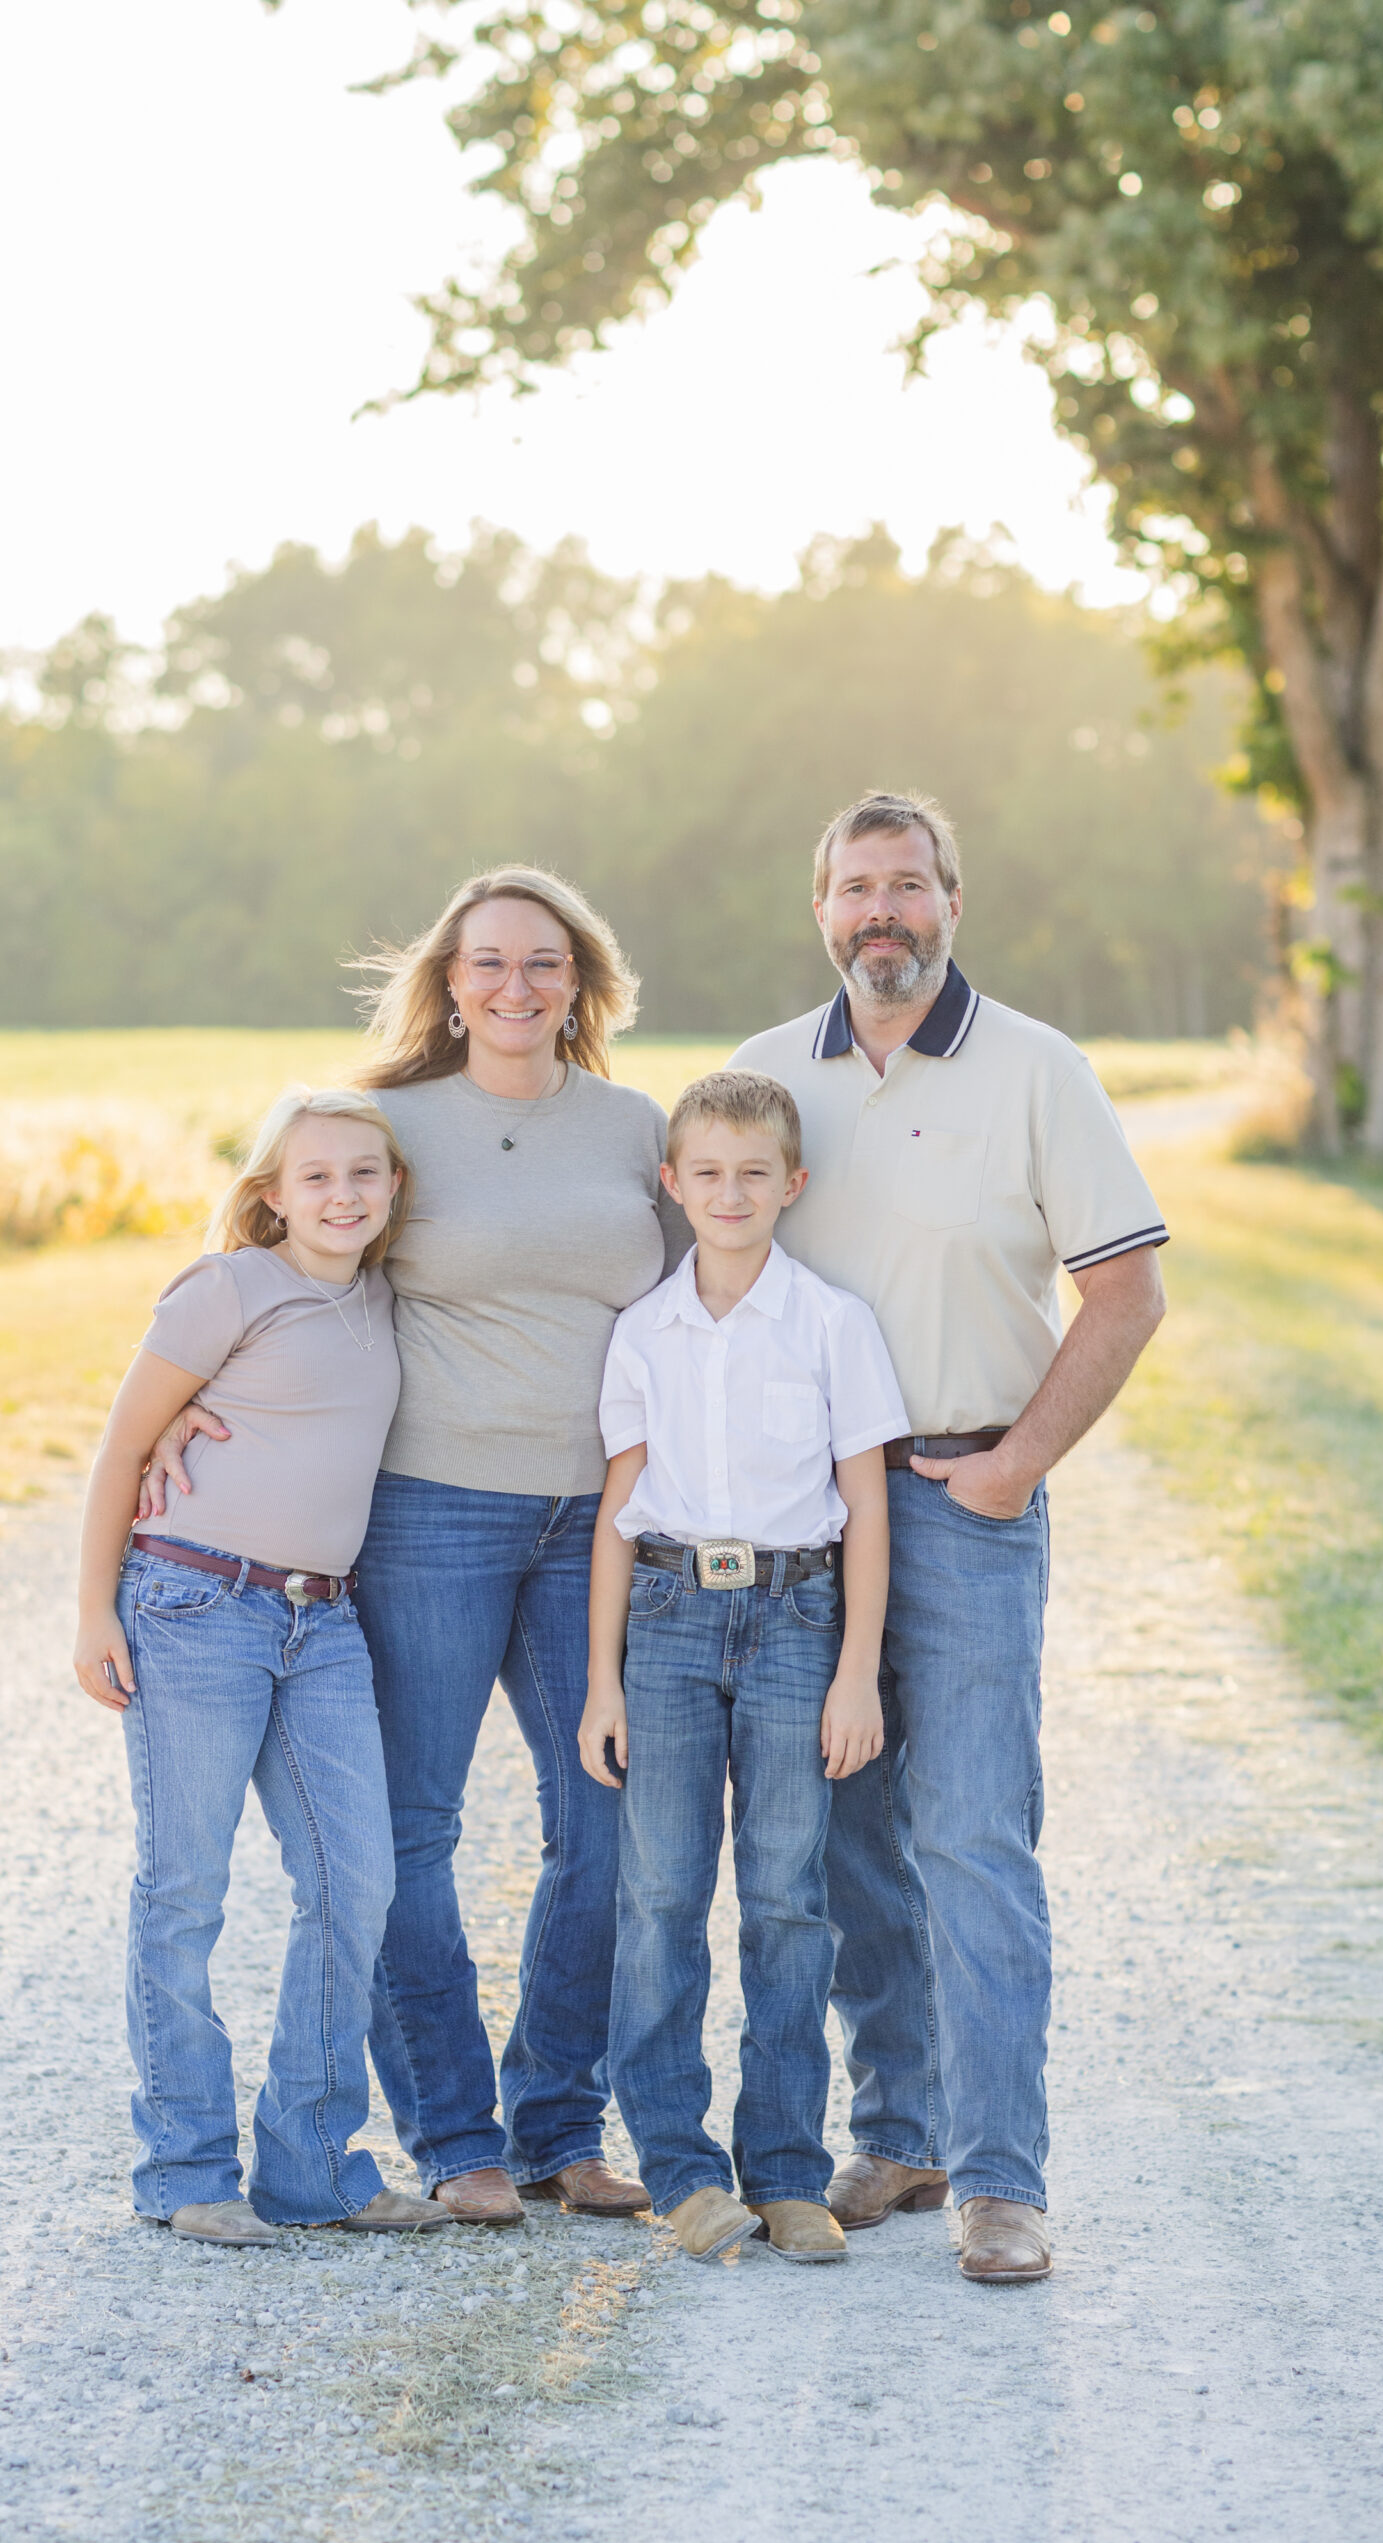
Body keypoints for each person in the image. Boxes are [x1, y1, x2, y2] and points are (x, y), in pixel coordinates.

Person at [144, 868, 687, 2228]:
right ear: (448, 984)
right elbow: (283, 1259)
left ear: (582, 983)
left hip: (596, 1527)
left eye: (545, 963)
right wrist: (189, 1417)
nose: (516, 986)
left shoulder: (632, 1126)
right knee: (411, 1833)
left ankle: (563, 2127)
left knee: (602, 1825)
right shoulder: (391, 1123)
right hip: (428, 1514)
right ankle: (457, 2137)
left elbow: (702, 1303)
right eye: (488, 963)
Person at [730, 790, 1168, 2285]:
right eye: (855, 888)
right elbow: (694, 1292)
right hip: (804, 1525)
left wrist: (1019, 1464)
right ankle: (899, 2131)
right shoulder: (764, 1076)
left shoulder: (1039, 1070)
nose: (881, 914)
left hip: (966, 1500)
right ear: (820, 909)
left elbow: (1126, 1293)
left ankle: (1001, 2180)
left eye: (906, 886)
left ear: (952, 902)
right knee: (849, 1839)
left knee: (973, 1837)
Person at [72, 1087, 446, 2245]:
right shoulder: (227, 1286)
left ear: (393, 1192)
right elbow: (124, 1446)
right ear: (272, 1195)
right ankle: (184, 2170)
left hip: (323, 1627)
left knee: (354, 1882)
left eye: (365, 1175)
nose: (343, 1195)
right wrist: (94, 1608)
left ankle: (310, 2165)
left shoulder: (388, 1297)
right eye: (316, 1176)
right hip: (193, 1606)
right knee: (184, 1888)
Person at [580, 1072, 909, 2264]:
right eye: (705, 1172)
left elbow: (863, 1508)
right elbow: (619, 1510)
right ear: (671, 1183)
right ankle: (678, 2166)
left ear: (791, 1185)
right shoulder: (642, 1333)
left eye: (752, 1173)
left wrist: (856, 1670)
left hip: (795, 1619)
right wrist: (602, 1680)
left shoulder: (830, 1324)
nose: (729, 1193)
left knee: (786, 1898)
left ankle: (784, 2168)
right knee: (661, 1893)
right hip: (665, 1619)